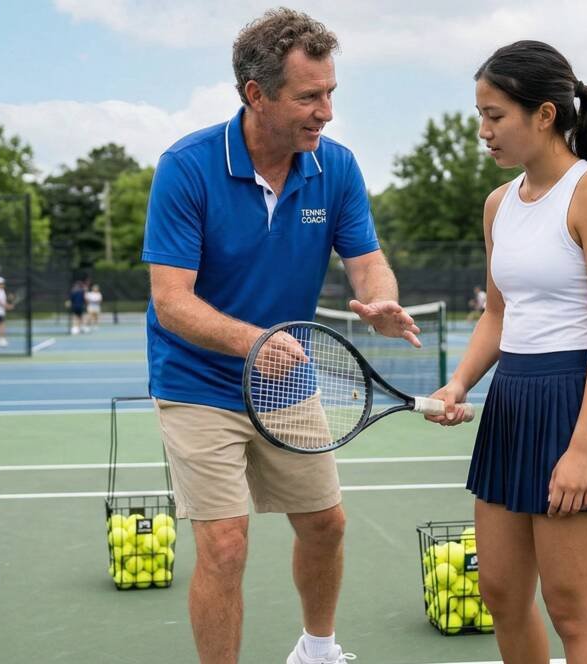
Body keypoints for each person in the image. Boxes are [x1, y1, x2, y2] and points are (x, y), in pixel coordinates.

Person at [141, 9, 419, 664]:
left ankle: (316, 650)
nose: (325, 112)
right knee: (226, 545)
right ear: (256, 95)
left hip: (288, 384)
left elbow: (367, 258)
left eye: (330, 94)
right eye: (308, 97)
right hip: (198, 384)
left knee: (325, 524)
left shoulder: (337, 168)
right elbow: (171, 301)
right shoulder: (186, 167)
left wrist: (382, 296)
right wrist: (252, 343)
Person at [426, 41, 587, 663]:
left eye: (495, 114)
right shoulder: (498, 205)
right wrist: (458, 385)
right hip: (511, 404)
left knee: (573, 611)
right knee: (500, 592)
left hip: (575, 406)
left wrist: (582, 450)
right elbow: (498, 315)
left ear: (545, 114)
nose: (483, 130)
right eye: (481, 114)